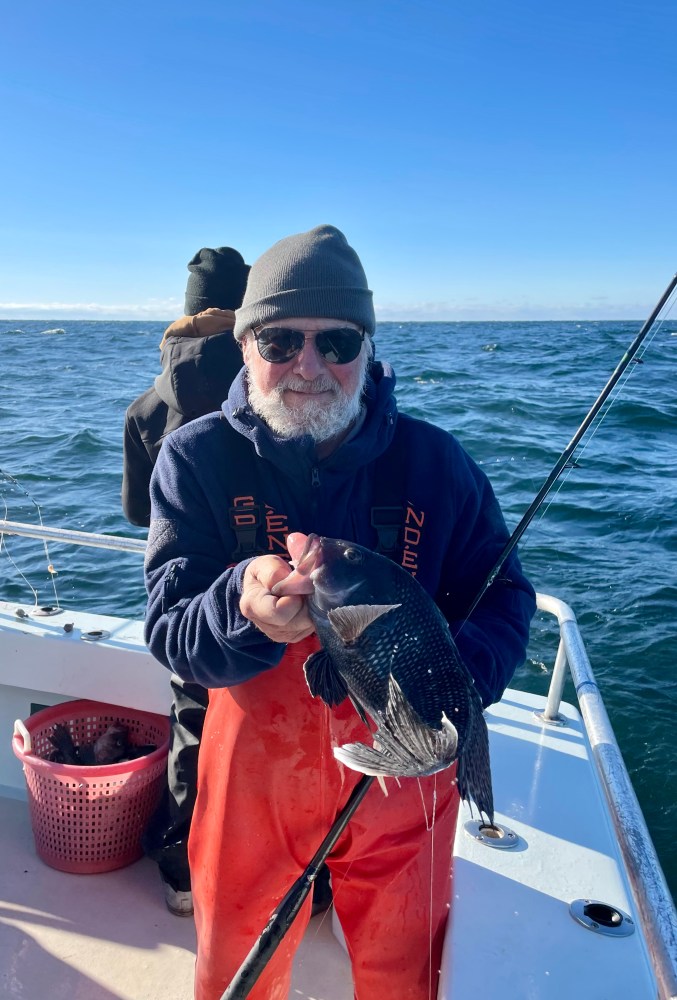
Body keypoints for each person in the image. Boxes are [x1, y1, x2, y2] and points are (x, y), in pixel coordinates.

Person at [144, 224, 536, 998]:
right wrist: (238, 608)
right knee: (234, 965)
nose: (309, 366)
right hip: (253, 772)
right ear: (245, 342)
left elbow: (504, 597)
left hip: (408, 779)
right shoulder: (194, 458)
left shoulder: (436, 463)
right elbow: (169, 630)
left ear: (368, 347)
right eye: (281, 339)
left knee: (404, 968)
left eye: (338, 341)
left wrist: (454, 684)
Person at [122, 245, 249, 916]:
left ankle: (180, 873)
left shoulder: (147, 407)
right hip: (267, 592)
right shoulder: (272, 387)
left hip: (184, 595)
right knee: (273, 733)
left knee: (192, 722)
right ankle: (284, 875)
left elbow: (139, 513)